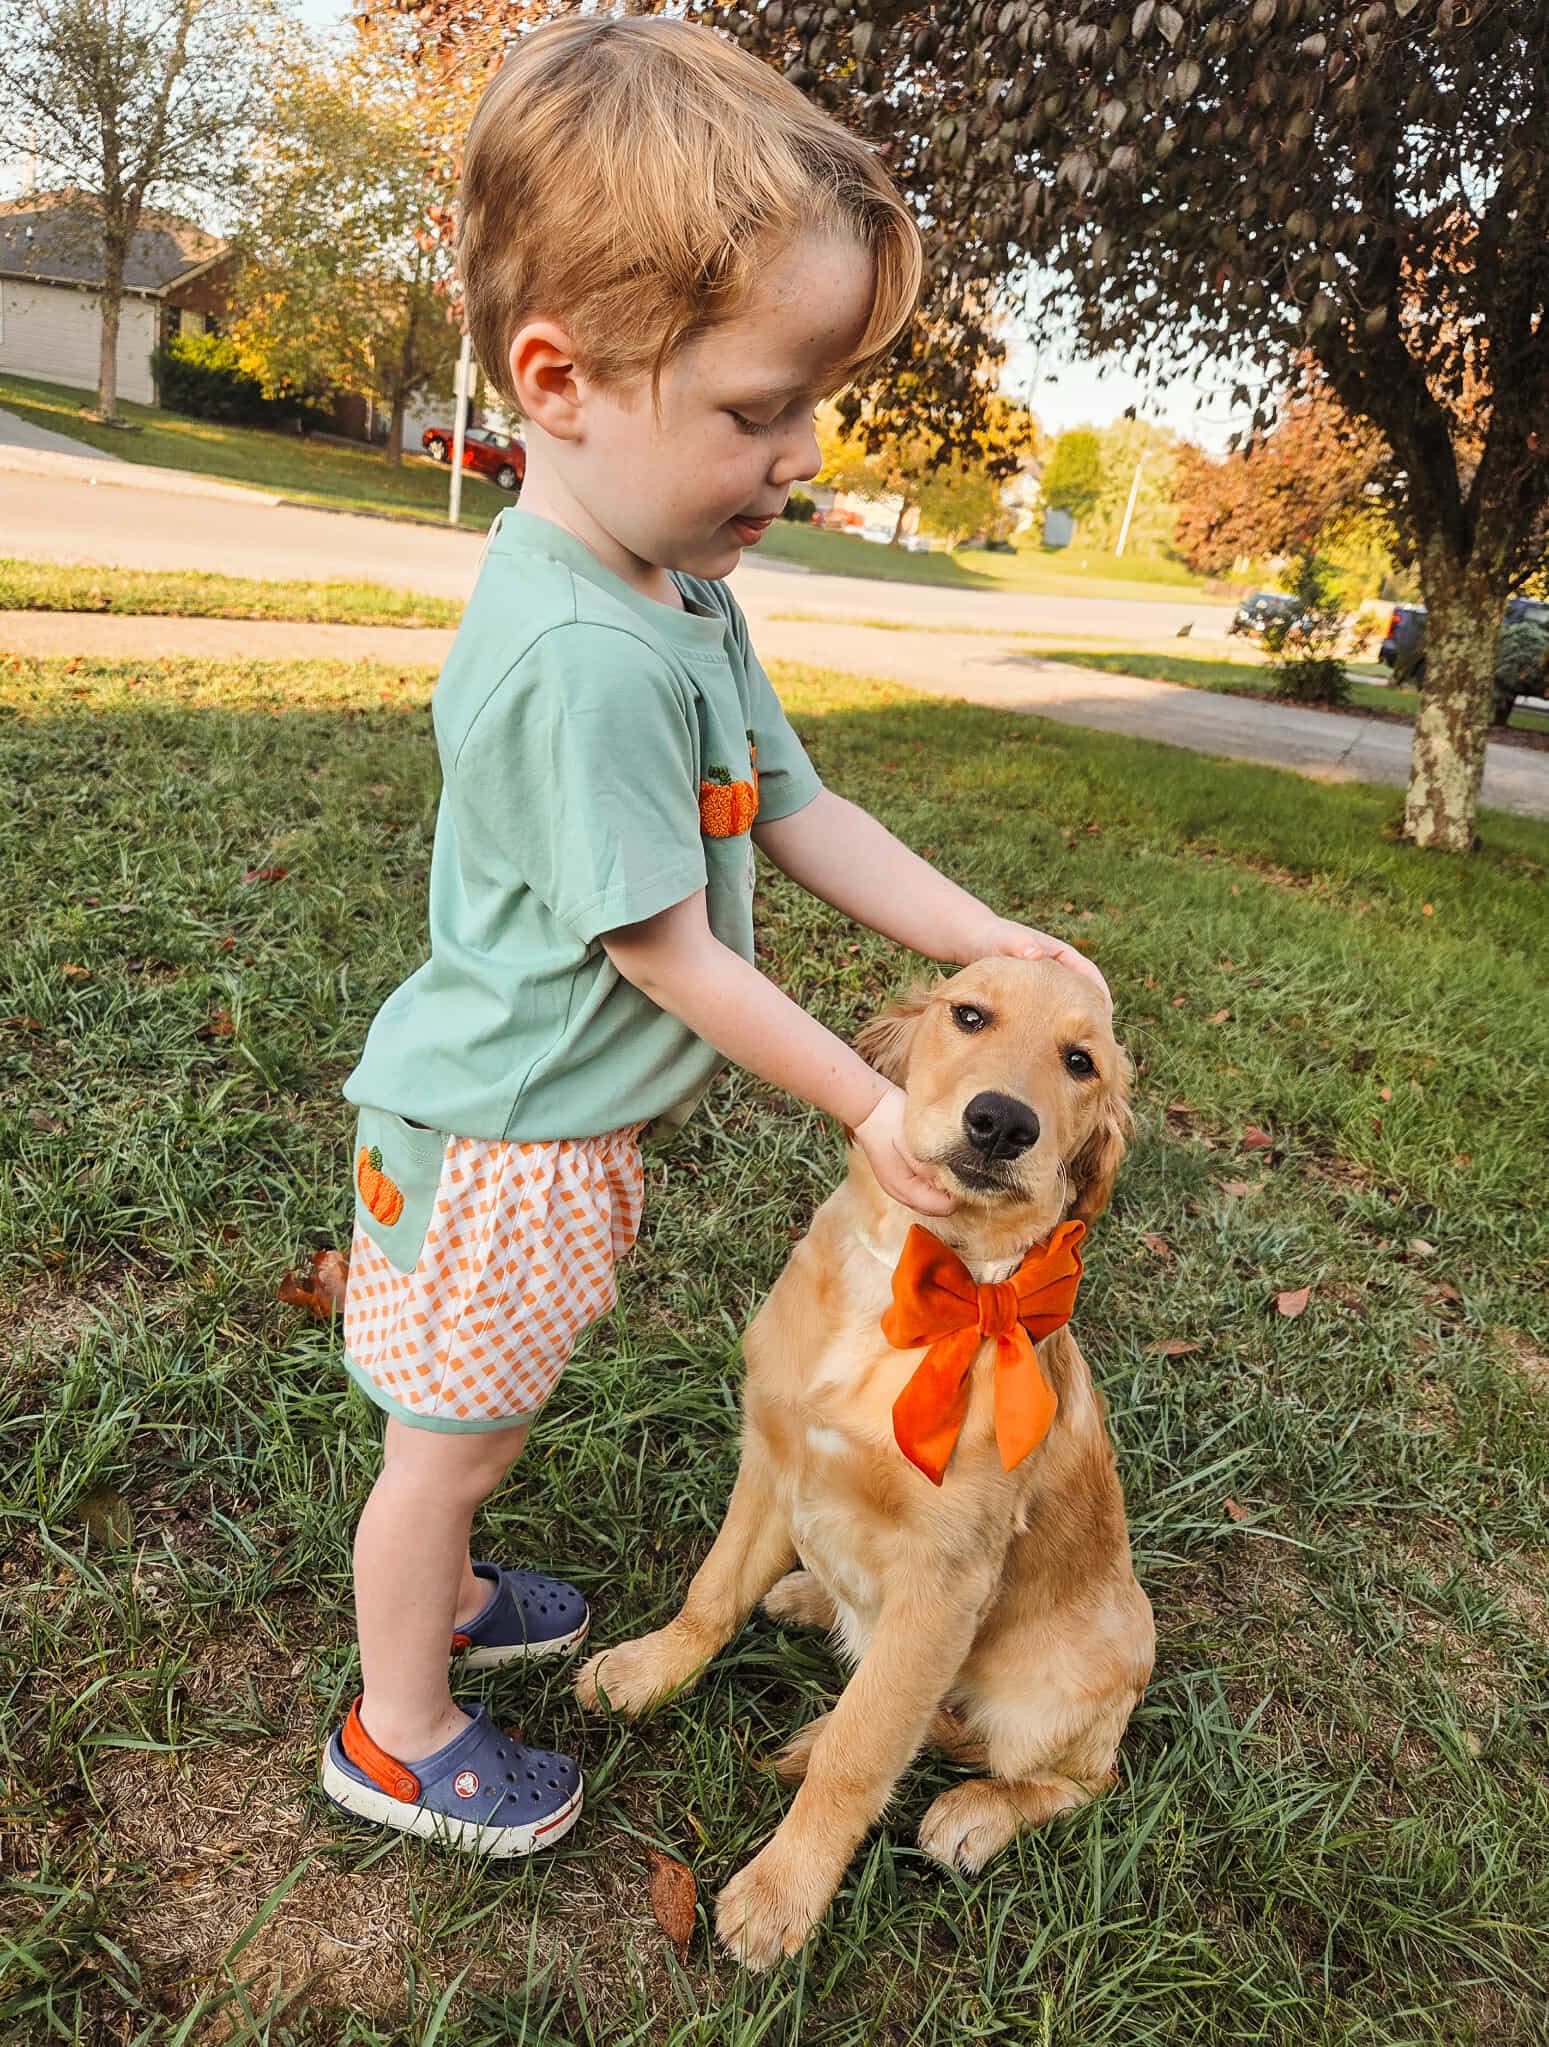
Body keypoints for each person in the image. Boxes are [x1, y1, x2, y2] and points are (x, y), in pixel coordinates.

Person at [321, 12, 1109, 1859]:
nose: (799, 456)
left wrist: (982, 929)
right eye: (757, 410)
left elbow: (805, 810)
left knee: (483, 1427)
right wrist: (865, 1100)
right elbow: (668, 954)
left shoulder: (677, 597)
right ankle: (399, 1723)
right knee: (438, 1446)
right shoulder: (580, 657)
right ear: (562, 376)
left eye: (807, 407)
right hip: (493, 1141)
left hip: (563, 1138)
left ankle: (435, 1588)